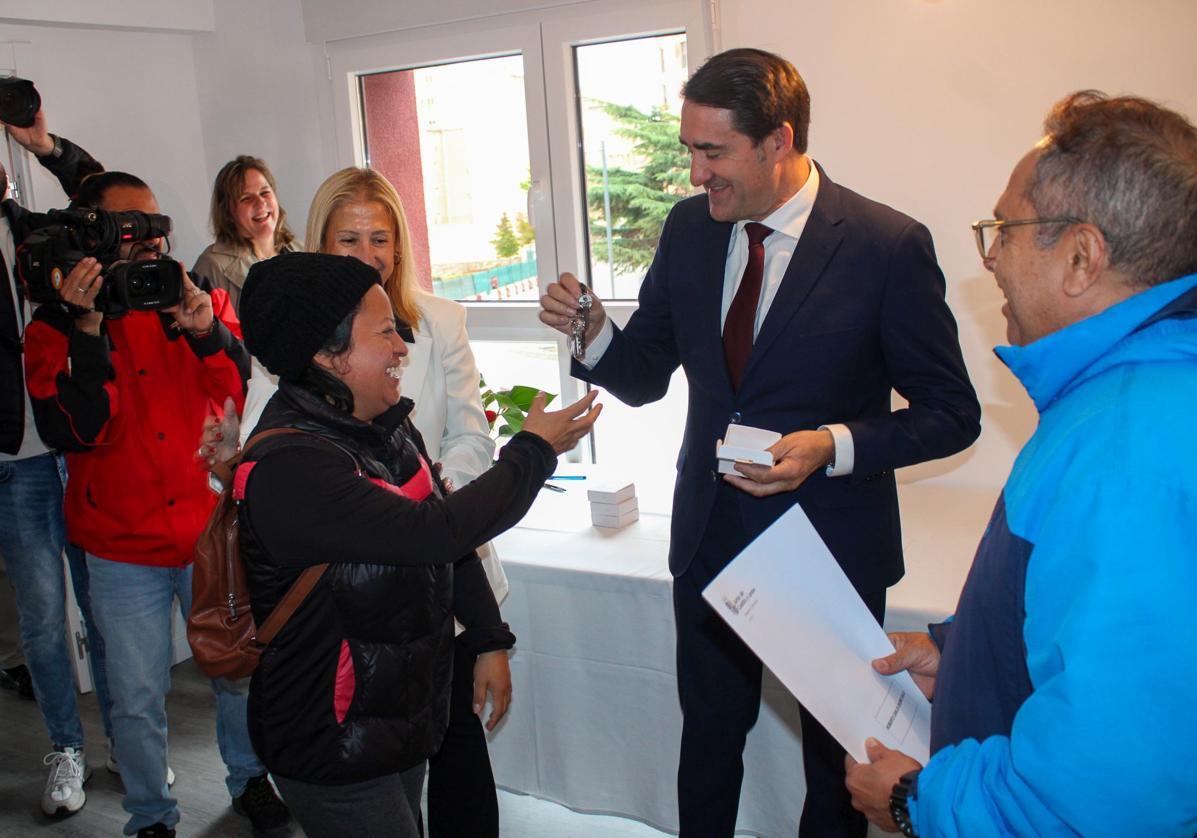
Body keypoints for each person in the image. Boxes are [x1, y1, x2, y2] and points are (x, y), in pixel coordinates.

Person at [539, 48, 981, 837]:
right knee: (707, 743)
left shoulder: (885, 245)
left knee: (836, 765)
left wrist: (832, 444)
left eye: (713, 153)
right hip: (710, 543)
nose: (695, 173)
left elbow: (951, 412)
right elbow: (643, 375)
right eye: (689, 150)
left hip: (831, 552)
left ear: (777, 141)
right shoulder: (688, 231)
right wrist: (594, 332)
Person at [845, 91, 1197, 836]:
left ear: (1080, 256)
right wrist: (963, 655)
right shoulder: (1132, 399)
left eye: (1004, 229)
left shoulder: (1124, 453)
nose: (993, 255)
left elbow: (1104, 794)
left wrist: (919, 803)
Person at [234, 251, 600, 838]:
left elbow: (449, 532)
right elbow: (437, 533)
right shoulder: (292, 466)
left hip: (390, 722)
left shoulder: (383, 424)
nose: (403, 346)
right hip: (331, 741)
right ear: (326, 354)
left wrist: (486, 638)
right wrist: (532, 451)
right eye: (384, 332)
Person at [227, 167, 505, 836]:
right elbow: (266, 451)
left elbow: (471, 434)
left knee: (452, 760)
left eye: (380, 237)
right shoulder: (298, 349)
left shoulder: (439, 319)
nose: (368, 254)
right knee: (376, 773)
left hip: (444, 566)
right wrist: (409, 516)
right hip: (356, 604)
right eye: (348, 238)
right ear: (321, 242)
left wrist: (435, 508)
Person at [22, 171, 292, 838]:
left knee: (235, 673)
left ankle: (250, 778)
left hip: (206, 529)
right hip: (120, 545)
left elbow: (237, 390)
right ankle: (150, 816)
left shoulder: (186, 294)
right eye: (127, 226)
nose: (147, 238)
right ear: (93, 236)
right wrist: (88, 328)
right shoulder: (55, 324)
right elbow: (72, 430)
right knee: (137, 696)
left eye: (153, 223)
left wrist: (204, 331)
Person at [1, 105, 115, 817]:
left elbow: (108, 198)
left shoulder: (35, 228)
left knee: (107, 611)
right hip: (18, 462)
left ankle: (125, 745)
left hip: (82, 449)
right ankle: (66, 748)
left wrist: (44, 144)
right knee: (44, 621)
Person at [192, 155, 300, 312]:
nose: (260, 202)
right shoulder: (211, 266)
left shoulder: (303, 248)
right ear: (228, 212)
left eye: (264, 193)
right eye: (246, 198)